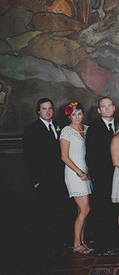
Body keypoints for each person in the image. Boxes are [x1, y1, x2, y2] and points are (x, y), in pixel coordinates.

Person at [23, 98, 70, 249]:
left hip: (60, 177)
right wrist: (35, 180)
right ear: (38, 111)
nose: (48, 111)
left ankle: (60, 240)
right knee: (46, 211)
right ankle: (47, 243)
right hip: (44, 179)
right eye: (44, 109)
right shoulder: (32, 130)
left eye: (50, 108)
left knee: (60, 208)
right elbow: (29, 157)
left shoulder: (59, 126)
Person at [85, 97, 119, 257]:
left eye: (109, 106)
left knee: (118, 209)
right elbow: (91, 154)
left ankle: (117, 241)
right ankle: (101, 244)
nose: (107, 109)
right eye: (103, 107)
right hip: (102, 176)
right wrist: (96, 176)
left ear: (113, 108)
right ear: (99, 110)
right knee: (101, 209)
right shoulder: (94, 128)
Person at [59, 101, 92, 254]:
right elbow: (64, 157)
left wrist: (86, 173)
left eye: (79, 113)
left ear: (83, 114)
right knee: (85, 208)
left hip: (86, 173)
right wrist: (79, 173)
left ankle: (82, 241)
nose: (77, 117)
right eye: (74, 114)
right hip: (75, 173)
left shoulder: (87, 129)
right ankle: (76, 243)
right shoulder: (67, 131)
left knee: (82, 210)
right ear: (69, 116)